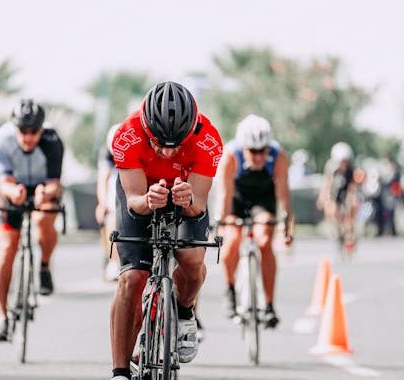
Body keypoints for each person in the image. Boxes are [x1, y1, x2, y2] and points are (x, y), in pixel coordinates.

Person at [109, 81, 223, 380]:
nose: (168, 153)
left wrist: (187, 200)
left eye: (177, 145)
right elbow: (133, 200)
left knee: (192, 259)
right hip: (143, 193)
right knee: (132, 277)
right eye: (159, 143)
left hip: (185, 194)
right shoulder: (127, 135)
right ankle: (120, 370)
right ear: (146, 128)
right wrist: (147, 199)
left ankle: (185, 312)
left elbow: (198, 205)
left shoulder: (209, 139)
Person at [0, 99, 64, 341]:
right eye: (23, 131)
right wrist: (15, 193)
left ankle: (44, 264)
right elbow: (3, 182)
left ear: (42, 129)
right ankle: (1, 317)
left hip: (43, 189)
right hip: (12, 190)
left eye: (34, 132)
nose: (28, 137)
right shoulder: (1, 140)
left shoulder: (52, 141)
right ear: (15, 127)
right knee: (6, 247)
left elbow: (55, 183)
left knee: (45, 219)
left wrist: (45, 192)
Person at [216, 114, 294, 328]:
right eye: (253, 151)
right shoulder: (231, 155)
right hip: (237, 200)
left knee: (265, 241)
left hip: (263, 200)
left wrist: (287, 227)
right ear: (243, 148)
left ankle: (268, 305)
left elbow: (284, 195)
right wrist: (221, 224)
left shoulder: (278, 157)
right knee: (231, 241)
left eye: (263, 151)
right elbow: (224, 194)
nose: (259, 157)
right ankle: (230, 290)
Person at [316, 142, 360, 239]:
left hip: (347, 190)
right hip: (336, 191)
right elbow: (327, 183)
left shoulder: (352, 169)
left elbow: (353, 187)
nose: (343, 164)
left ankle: (350, 232)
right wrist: (323, 197)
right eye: (341, 162)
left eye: (345, 161)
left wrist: (353, 200)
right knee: (332, 208)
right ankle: (337, 228)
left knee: (351, 206)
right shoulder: (331, 168)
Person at [96, 124, 121, 281]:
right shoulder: (107, 153)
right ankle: (112, 260)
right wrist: (102, 204)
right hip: (113, 196)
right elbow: (102, 178)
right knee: (110, 222)